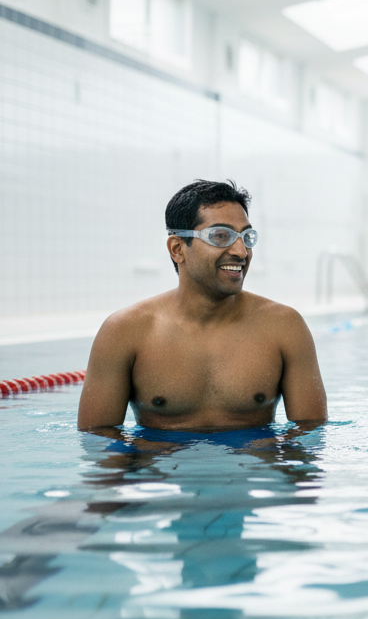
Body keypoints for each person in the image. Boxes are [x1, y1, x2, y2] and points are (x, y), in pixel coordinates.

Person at [77, 179, 327, 432]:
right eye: (221, 236)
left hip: (253, 469)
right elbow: (99, 440)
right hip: (161, 469)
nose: (241, 251)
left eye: (246, 237)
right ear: (177, 249)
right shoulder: (124, 331)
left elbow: (310, 435)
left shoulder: (284, 327)